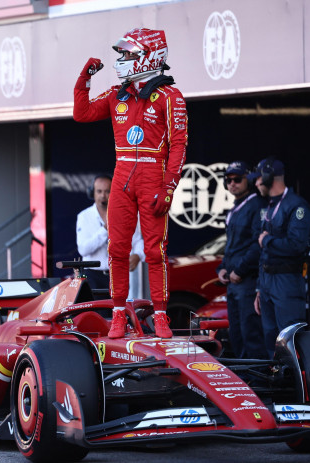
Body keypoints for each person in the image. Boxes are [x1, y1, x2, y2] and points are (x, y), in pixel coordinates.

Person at [74, 28, 187, 338]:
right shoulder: (116, 94)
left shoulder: (170, 97)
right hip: (122, 176)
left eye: (127, 54)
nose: (121, 60)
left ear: (149, 56)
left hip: (153, 176)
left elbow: (179, 145)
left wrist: (168, 186)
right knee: (117, 250)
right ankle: (119, 314)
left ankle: (161, 316)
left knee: (154, 250)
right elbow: (81, 113)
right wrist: (84, 79)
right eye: (121, 54)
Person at [248, 158, 310, 358]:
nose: (256, 183)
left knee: (289, 338)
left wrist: (267, 240)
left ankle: (295, 386)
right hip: (267, 282)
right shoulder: (269, 206)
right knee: (270, 338)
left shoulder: (296, 205)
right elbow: (262, 251)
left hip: (286, 280)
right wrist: (259, 287)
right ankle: (276, 382)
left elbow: (297, 245)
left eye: (258, 178)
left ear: (268, 177)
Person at [216, 161, 266, 359]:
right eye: (228, 180)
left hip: (248, 281)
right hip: (234, 283)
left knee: (251, 334)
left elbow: (258, 244)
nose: (232, 184)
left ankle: (259, 384)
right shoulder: (236, 208)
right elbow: (232, 247)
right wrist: (222, 268)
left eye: (237, 179)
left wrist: (239, 270)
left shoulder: (257, 204)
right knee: (236, 335)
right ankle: (244, 382)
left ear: (249, 180)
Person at [76, 174, 145, 293]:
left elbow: (138, 240)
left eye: (107, 191)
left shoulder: (124, 215)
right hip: (92, 276)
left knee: (119, 311)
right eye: (99, 191)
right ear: (92, 193)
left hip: (118, 276)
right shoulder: (84, 216)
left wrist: (138, 255)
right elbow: (83, 249)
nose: (103, 195)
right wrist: (105, 229)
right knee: (97, 312)